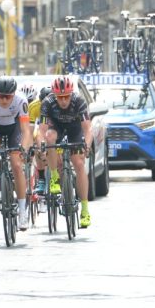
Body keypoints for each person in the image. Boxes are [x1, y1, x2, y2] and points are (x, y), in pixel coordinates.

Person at [37, 76, 93, 228]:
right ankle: (54, 177)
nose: (63, 101)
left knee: (79, 163)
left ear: (71, 94)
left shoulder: (79, 101)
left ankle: (85, 211)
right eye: (60, 97)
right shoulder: (47, 103)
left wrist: (86, 146)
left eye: (66, 97)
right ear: (54, 95)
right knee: (49, 137)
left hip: (75, 129)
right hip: (57, 128)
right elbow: (41, 130)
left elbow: (88, 129)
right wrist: (41, 145)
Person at [0, 76, 32, 229]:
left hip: (14, 128)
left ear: (14, 94)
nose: (3, 100)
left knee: (16, 165)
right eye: (0, 96)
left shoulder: (21, 100)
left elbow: (25, 130)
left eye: (7, 96)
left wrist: (24, 148)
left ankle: (22, 211)